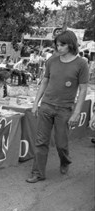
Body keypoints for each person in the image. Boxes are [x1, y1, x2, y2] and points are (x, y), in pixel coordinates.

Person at [26, 30, 89, 183]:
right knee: (41, 142)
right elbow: (44, 82)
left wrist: (76, 113)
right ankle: (38, 173)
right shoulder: (51, 61)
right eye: (57, 45)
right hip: (46, 106)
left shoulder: (81, 63)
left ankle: (65, 161)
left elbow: (83, 90)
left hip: (65, 109)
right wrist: (36, 104)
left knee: (61, 143)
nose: (58, 47)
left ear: (71, 44)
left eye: (62, 44)